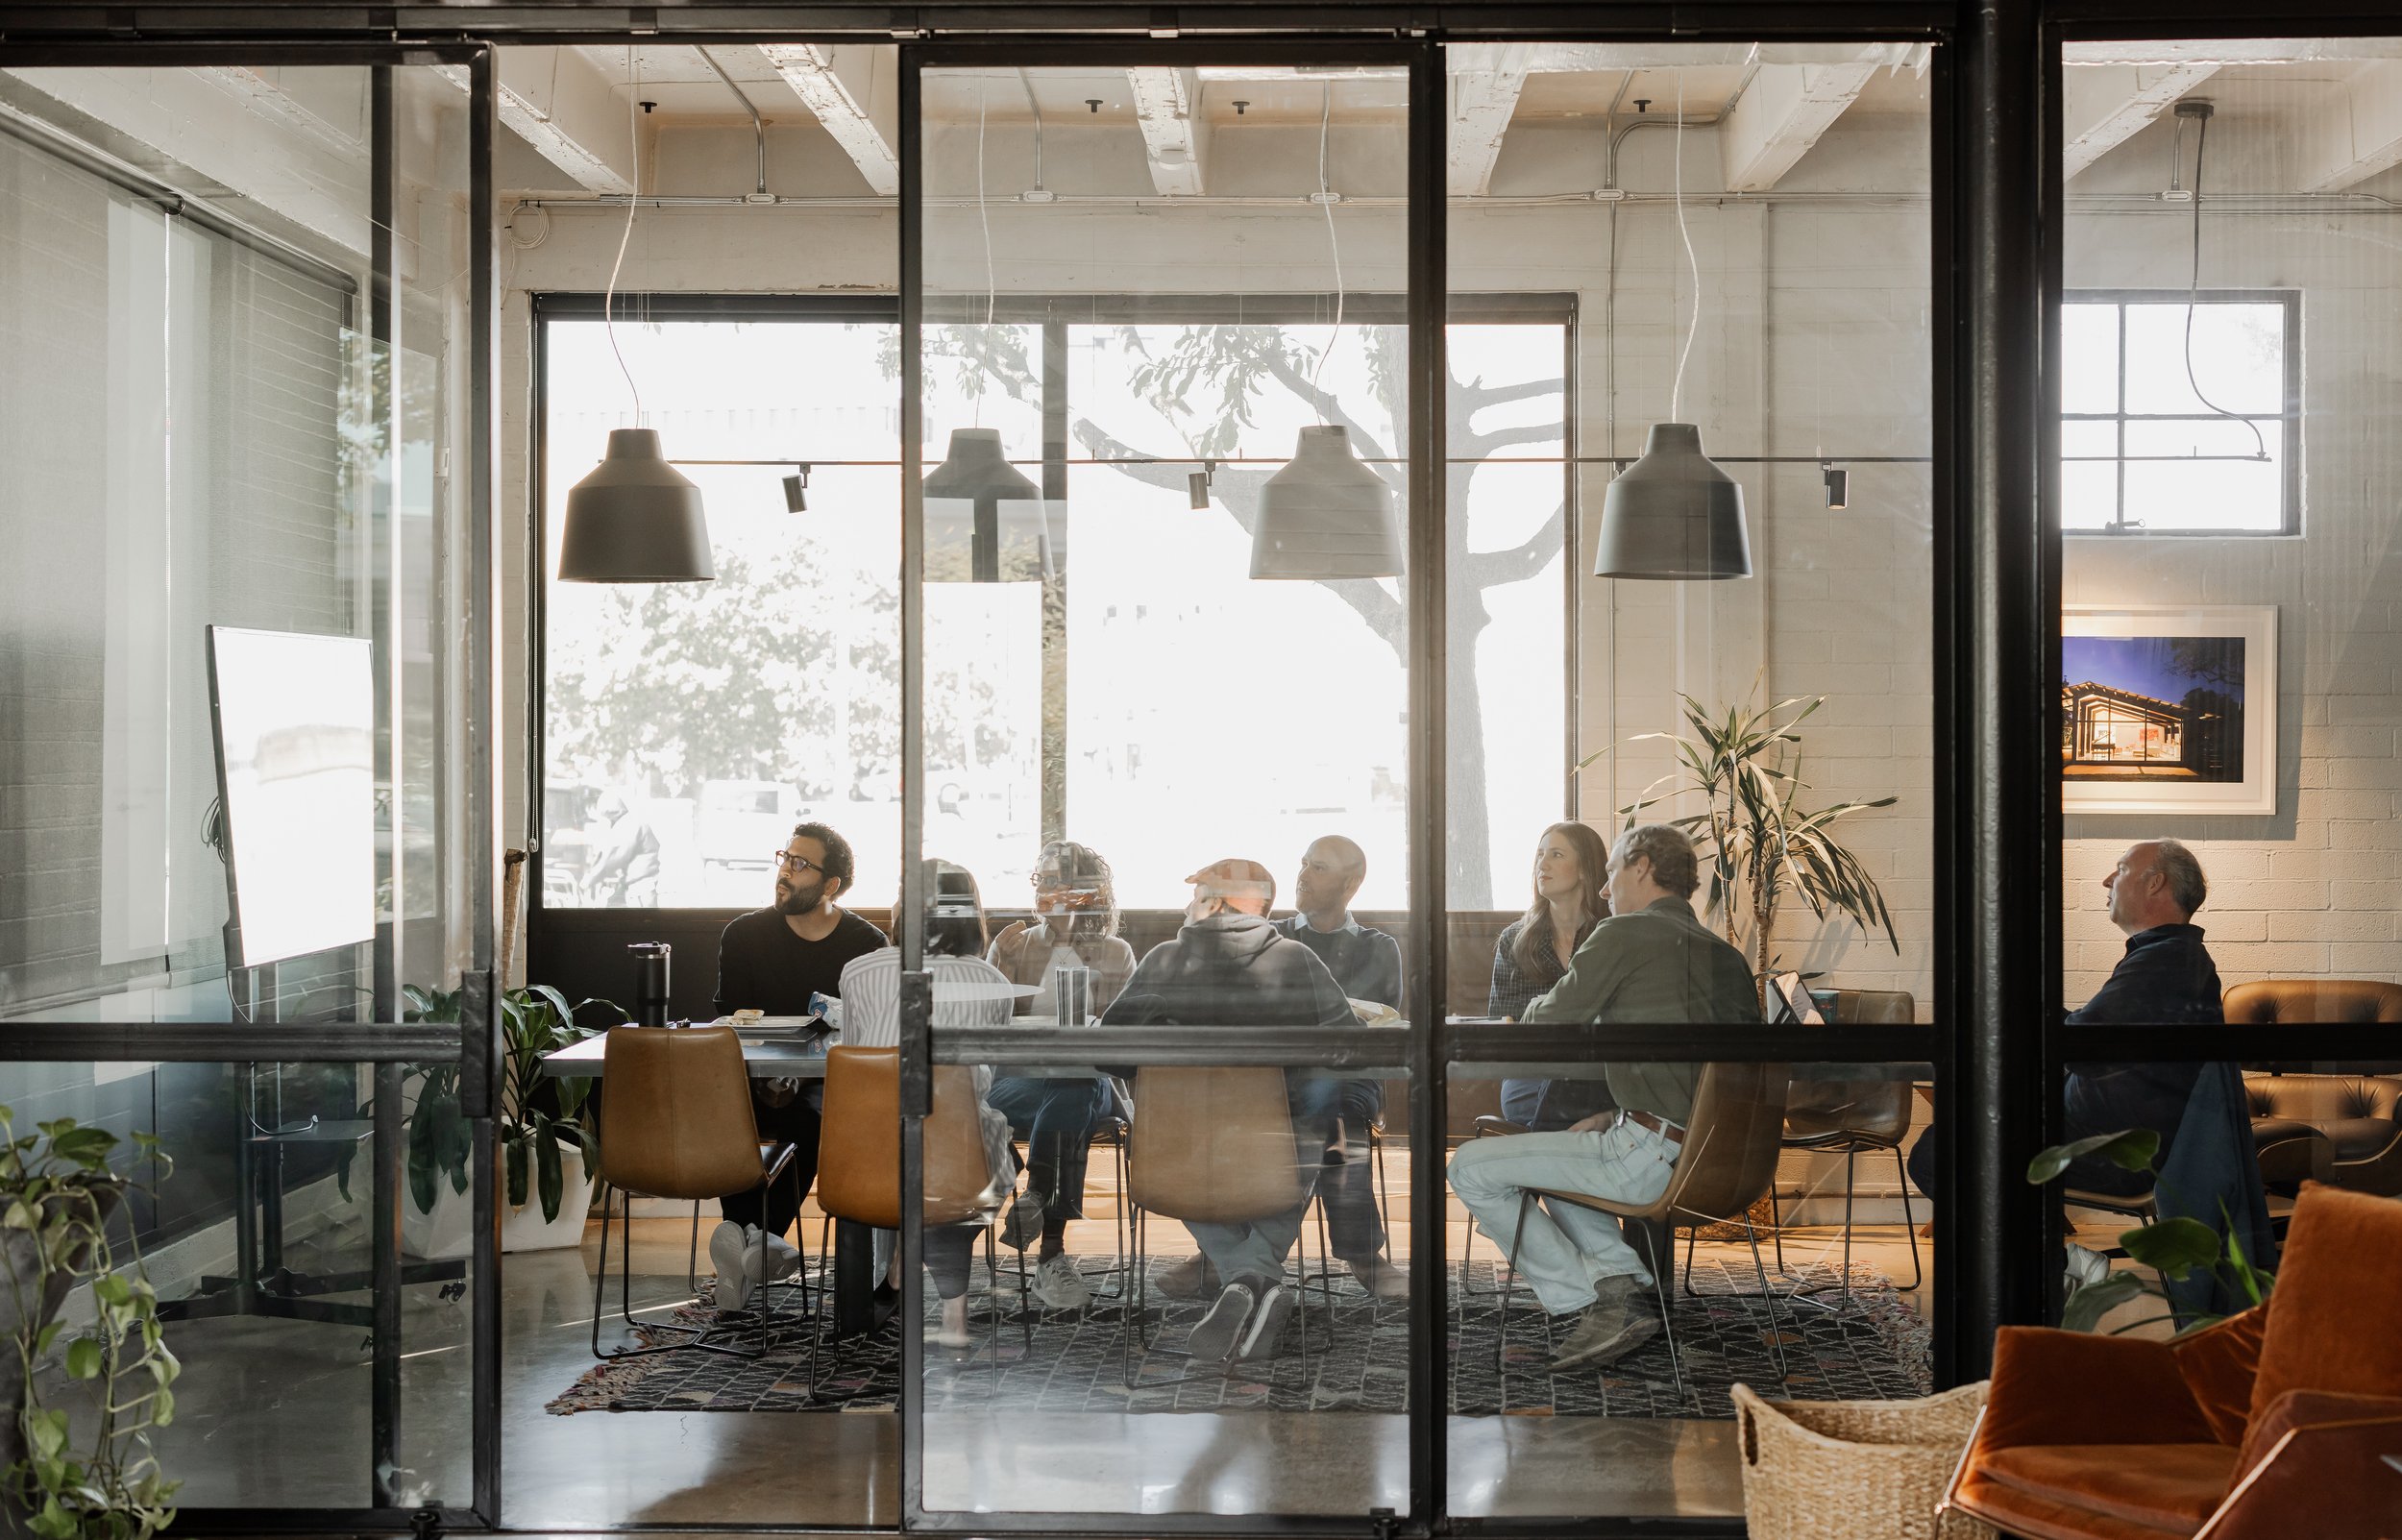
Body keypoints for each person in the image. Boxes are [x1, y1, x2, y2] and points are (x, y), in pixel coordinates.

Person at [1446, 823, 1760, 1371]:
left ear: (1641, 867)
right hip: (1716, 1161)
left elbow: (1550, 1019)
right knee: (1566, 1156)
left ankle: (1589, 1301)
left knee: (1469, 1168)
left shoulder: (1624, 934)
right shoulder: (1726, 957)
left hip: (1652, 1154)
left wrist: (1530, 1011)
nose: (1608, 889)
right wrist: (1612, 1112)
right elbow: (1699, 1077)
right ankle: (1621, 1282)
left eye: (1613, 872)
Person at [1098, 857, 1357, 1365]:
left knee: (1169, 1144)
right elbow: (1353, 1049)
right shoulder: (1297, 960)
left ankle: (1242, 1278)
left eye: (1196, 896)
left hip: (1175, 1161)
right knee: (1324, 1138)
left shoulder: (1164, 961)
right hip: (1273, 1160)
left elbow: (1106, 1053)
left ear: (1212, 904)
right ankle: (1253, 1277)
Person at [1905, 839, 2227, 1200]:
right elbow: (2088, 1035)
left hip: (2115, 1152)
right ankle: (2050, 1257)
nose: (2108, 880)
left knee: (1942, 1150)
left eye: (2121, 870)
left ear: (2155, 883)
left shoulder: (2164, 961)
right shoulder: (2168, 957)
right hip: (2100, 1136)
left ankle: (2055, 1260)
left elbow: (2079, 1047)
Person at [839, 861, 1020, 1348]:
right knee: (977, 1144)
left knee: (917, 1133)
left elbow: (854, 1060)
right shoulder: (991, 981)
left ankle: (897, 1267)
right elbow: (987, 1074)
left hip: (864, 1164)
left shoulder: (860, 970)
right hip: (955, 1166)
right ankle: (953, 1309)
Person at [707, 821, 887, 1311]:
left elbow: (870, 1032)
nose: (785, 871)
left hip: (828, 1086)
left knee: (815, 1118)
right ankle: (760, 1245)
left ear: (831, 885)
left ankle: (742, 1241)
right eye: (785, 858)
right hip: (751, 1082)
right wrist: (767, 1080)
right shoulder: (743, 935)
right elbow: (732, 1023)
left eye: (801, 864)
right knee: (735, 1115)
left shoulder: (866, 945)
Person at [983, 841, 1134, 1308]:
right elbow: (985, 1032)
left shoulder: (1115, 953)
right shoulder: (1015, 944)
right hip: (1019, 1082)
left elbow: (1122, 1037)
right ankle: (1051, 1251)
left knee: (1079, 1081)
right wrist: (1000, 966)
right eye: (1040, 880)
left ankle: (1037, 1200)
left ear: (1085, 892)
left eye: (1054, 880)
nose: (1043, 890)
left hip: (1095, 1081)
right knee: (1072, 1092)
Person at [1273, 835, 1407, 1298]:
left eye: (1319, 868)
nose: (1303, 875)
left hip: (1350, 1076)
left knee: (1334, 1111)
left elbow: (1381, 1024)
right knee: (1241, 1106)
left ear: (1351, 883)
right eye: (1304, 863)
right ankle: (1228, 1249)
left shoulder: (1379, 947)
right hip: (1278, 1074)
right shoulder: (1274, 938)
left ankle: (1359, 1252)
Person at [1488, 822, 1615, 1133]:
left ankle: (1541, 1166)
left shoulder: (1613, 934)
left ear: (1585, 868)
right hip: (1532, 1073)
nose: (1541, 864)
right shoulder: (1515, 939)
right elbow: (1502, 1021)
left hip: (1597, 1071)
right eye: (1540, 854)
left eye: (1556, 854)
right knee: (1527, 1099)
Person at [584, 790, 661, 906]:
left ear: (610, 812)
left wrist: (589, 880)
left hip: (640, 884)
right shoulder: (632, 821)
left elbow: (613, 858)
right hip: (644, 881)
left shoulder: (627, 825)